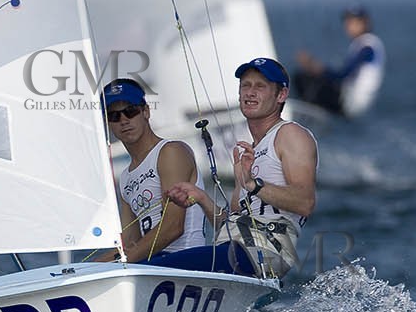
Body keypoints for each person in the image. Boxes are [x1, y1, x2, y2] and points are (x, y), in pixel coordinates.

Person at [161, 57, 318, 277]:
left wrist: (252, 184)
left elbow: (305, 202)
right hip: (234, 252)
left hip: (263, 253)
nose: (250, 92)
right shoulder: (249, 154)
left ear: (281, 95)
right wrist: (202, 197)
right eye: (246, 85)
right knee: (156, 262)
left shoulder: (290, 134)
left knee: (157, 267)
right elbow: (230, 223)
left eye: (260, 86)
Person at [102, 78, 207, 262]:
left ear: (146, 112)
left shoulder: (170, 152)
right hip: (154, 263)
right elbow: (129, 242)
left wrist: (118, 262)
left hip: (186, 258)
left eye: (130, 111)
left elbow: (174, 226)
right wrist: (86, 268)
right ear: (108, 122)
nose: (124, 120)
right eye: (114, 116)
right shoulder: (125, 178)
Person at [293, 6, 385, 118]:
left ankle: (311, 118)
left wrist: (314, 66)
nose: (349, 26)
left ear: (365, 22)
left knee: (301, 78)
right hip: (354, 102)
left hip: (351, 103)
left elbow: (343, 74)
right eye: (347, 22)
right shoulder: (365, 44)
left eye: (354, 22)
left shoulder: (367, 46)